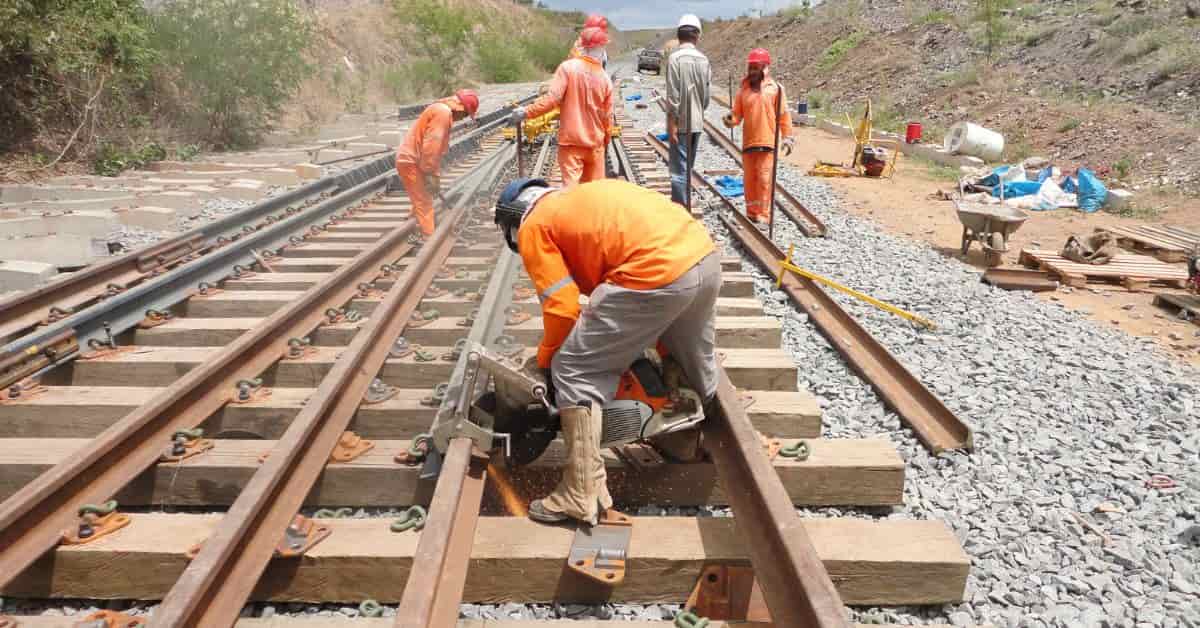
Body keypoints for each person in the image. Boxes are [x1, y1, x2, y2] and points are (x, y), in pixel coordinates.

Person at [493, 177, 721, 526]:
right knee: (689, 356)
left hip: (654, 272)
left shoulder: (533, 225)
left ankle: (580, 493)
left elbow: (562, 307)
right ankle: (687, 440)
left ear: (513, 220)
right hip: (701, 257)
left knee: (575, 368)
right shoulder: (576, 200)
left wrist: (548, 363)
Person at [512, 27, 613, 187]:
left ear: (583, 46)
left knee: (570, 193)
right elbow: (607, 117)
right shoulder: (605, 78)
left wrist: (526, 112)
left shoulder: (567, 68)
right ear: (602, 49)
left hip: (571, 144)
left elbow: (552, 99)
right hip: (595, 146)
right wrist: (605, 139)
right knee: (594, 195)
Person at [722, 48, 794, 227]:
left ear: (765, 68)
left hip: (767, 142)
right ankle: (752, 213)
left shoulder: (775, 89)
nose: (753, 71)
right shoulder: (743, 92)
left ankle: (763, 215)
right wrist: (730, 120)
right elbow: (737, 116)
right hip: (749, 143)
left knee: (764, 180)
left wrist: (788, 137)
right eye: (751, 67)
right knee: (749, 180)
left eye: (756, 67)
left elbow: (783, 115)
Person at [394, 89, 479, 238]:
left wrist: (434, 175)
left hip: (414, 160)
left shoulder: (440, 109)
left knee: (421, 197)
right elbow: (432, 146)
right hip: (412, 161)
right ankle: (429, 237)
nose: (462, 118)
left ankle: (411, 226)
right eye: (465, 114)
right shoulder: (443, 113)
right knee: (425, 202)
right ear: (460, 108)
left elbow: (434, 148)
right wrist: (431, 173)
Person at [664, 14, 710, 207]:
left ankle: (680, 211)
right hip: (697, 122)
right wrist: (698, 110)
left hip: (680, 123)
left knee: (678, 171)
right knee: (687, 168)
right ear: (697, 36)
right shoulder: (704, 60)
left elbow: (673, 96)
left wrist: (671, 124)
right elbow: (706, 97)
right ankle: (685, 206)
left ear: (679, 36)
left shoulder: (674, 59)